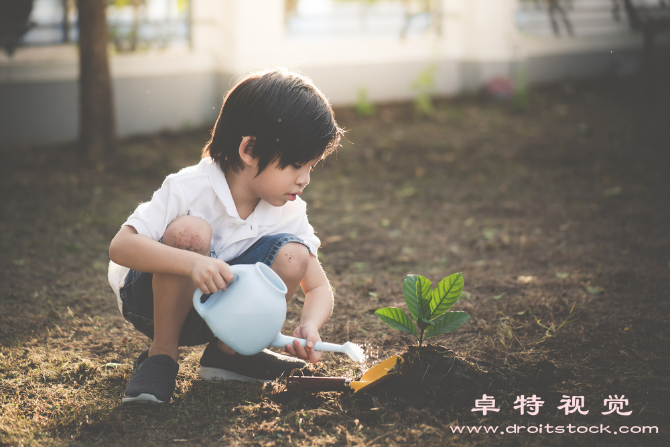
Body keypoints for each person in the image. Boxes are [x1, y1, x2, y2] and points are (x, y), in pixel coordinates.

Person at [107, 68, 343, 404]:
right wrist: (191, 264)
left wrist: (310, 324)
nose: (305, 179)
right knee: (190, 232)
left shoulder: (288, 210)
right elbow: (121, 246)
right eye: (295, 165)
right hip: (151, 303)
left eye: (311, 167)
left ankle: (228, 355)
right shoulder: (189, 187)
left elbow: (317, 286)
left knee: (295, 253)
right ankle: (161, 356)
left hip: (220, 318)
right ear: (249, 150)